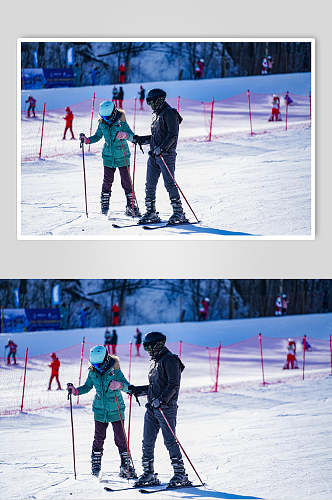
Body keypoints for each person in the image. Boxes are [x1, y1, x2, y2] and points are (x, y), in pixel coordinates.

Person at [128, 332, 192, 488]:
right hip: (152, 408)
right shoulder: (155, 361)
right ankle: (148, 474)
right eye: (145, 347)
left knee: (170, 440)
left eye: (148, 347)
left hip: (166, 408)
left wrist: (162, 400)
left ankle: (180, 474)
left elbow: (173, 385)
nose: (147, 350)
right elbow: (153, 387)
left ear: (157, 345)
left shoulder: (170, 360)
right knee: (147, 441)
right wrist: (137, 390)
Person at [67, 346, 136, 479]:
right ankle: (96, 466)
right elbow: (87, 387)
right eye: (94, 364)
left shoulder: (115, 370)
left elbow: (128, 387)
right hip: (100, 410)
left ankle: (126, 467)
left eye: (98, 364)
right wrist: (75, 391)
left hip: (116, 409)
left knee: (120, 438)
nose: (96, 366)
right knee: (98, 438)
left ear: (105, 360)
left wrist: (119, 385)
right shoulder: (92, 371)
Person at [133, 88, 188, 225]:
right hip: (154, 155)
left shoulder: (170, 113)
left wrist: (162, 148)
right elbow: (156, 138)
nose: (150, 105)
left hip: (166, 155)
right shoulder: (156, 114)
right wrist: (141, 139)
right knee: (150, 185)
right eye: (148, 103)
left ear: (159, 100)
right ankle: (151, 212)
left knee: (169, 183)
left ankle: (179, 213)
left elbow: (173, 135)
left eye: (152, 102)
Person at [79, 101, 140, 218]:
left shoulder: (121, 122)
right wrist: (87, 140)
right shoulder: (102, 123)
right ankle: (104, 206)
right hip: (108, 156)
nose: (105, 119)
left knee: (126, 181)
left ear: (113, 113)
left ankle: (131, 206)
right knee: (107, 181)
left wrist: (125, 135)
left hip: (122, 155)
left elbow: (132, 136)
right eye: (103, 117)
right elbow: (97, 136)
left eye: (107, 117)